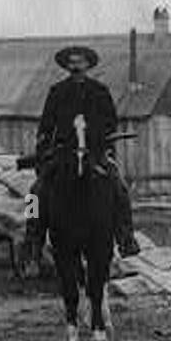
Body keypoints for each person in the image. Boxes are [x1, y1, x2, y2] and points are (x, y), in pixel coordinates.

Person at [31, 45, 139, 258]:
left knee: (120, 189)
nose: (76, 66)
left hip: (95, 152)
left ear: (88, 65)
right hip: (63, 153)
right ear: (66, 66)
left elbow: (111, 123)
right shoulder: (57, 92)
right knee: (34, 192)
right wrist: (44, 150)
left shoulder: (100, 91)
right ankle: (32, 238)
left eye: (80, 62)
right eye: (72, 62)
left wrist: (96, 136)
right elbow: (45, 127)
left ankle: (126, 237)